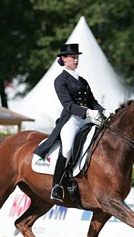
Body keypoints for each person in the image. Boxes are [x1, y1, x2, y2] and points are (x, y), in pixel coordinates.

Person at [34, 43, 109, 202]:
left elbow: (92, 101)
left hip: (88, 120)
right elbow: (67, 104)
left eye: (77, 57)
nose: (76, 60)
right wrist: (87, 111)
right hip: (72, 120)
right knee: (67, 149)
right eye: (73, 58)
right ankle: (57, 186)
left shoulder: (82, 80)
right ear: (64, 59)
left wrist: (104, 111)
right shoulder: (60, 80)